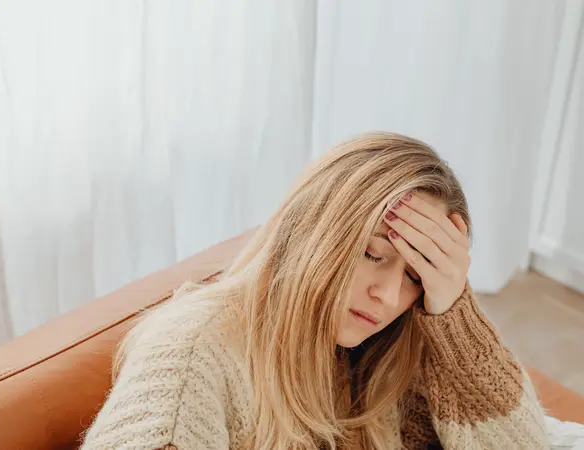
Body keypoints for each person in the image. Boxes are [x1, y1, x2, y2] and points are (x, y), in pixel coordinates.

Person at [80, 132, 548, 450]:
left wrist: (454, 313)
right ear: (313, 230)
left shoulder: (403, 344)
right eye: (371, 253)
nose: (388, 295)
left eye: (416, 276)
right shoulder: (192, 353)